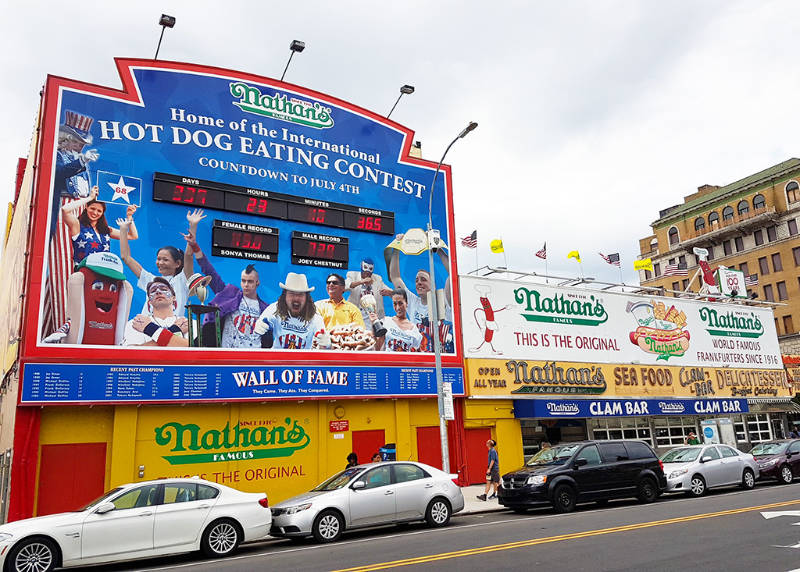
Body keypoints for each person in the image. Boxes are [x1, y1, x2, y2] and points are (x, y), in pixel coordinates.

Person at [185, 231, 270, 348]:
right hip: (228, 354)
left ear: (257, 283)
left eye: (250, 281)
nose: (246, 285)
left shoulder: (265, 308)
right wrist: (194, 246)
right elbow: (209, 271)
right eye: (243, 281)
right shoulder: (230, 295)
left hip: (253, 356)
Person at [119, 209, 204, 315]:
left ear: (177, 263)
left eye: (165, 260)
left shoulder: (182, 280)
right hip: (147, 329)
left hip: (172, 330)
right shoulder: (150, 280)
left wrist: (193, 226)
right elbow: (126, 257)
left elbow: (188, 255)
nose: (160, 262)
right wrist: (123, 229)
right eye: (158, 259)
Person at [387, 235, 454, 353]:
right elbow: (395, 277)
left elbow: (453, 273)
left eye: (423, 279)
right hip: (419, 357)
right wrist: (397, 247)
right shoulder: (413, 302)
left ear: (433, 284)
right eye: (417, 280)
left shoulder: (442, 299)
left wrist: (437, 248)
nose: (419, 283)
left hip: (441, 357)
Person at [61, 186, 138, 265]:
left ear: (102, 213)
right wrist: (90, 198)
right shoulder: (77, 226)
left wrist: (129, 216)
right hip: (84, 272)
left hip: (103, 273)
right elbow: (65, 209)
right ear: (86, 207)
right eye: (92, 208)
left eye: (99, 211)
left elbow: (133, 236)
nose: (95, 213)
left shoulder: (106, 230)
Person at [255, 272, 325, 349]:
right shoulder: (274, 309)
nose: (296, 298)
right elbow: (261, 323)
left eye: (300, 294)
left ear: (307, 298)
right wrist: (260, 326)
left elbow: (322, 339)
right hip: (277, 359)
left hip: (303, 360)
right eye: (291, 293)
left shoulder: (315, 317)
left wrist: (326, 343)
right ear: (285, 296)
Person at [123, 277, 189, 347]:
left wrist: (149, 329)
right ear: (149, 301)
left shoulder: (188, 323)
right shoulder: (136, 323)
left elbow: (193, 348)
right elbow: (133, 353)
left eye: (163, 289)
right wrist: (175, 331)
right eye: (153, 291)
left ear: (174, 297)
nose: (158, 292)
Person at [346, 258, 392, 328]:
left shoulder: (377, 279)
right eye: (365, 270)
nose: (367, 273)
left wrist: (390, 293)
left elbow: (391, 291)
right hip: (356, 316)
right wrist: (361, 282)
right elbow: (345, 286)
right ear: (361, 268)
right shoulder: (353, 275)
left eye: (370, 271)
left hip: (373, 318)